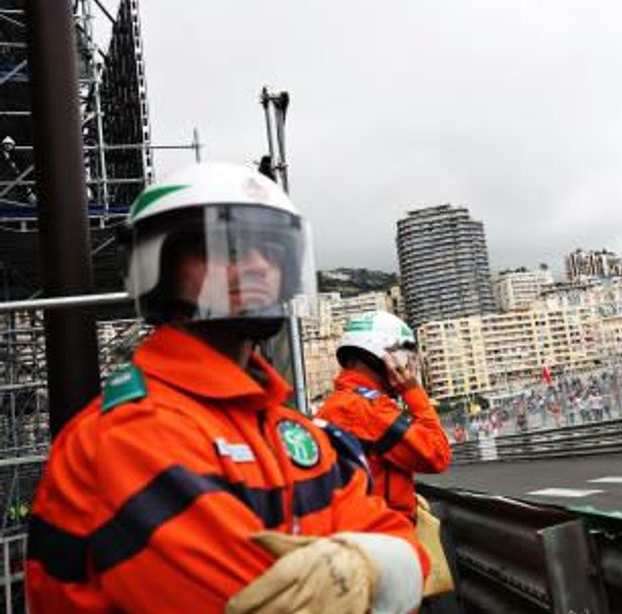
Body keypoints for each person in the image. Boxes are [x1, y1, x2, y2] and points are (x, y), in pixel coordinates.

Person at [25, 163, 426, 613]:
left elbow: (405, 544)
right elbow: (244, 600)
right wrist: (379, 569)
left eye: (271, 251)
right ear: (157, 265)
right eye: (227, 247)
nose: (257, 265)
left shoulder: (292, 431)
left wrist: (374, 565)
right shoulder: (130, 437)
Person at [316, 311, 451, 518]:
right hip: (385, 534)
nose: (407, 366)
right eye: (405, 356)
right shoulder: (369, 410)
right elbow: (437, 455)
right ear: (387, 357)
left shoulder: (337, 404)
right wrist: (412, 392)